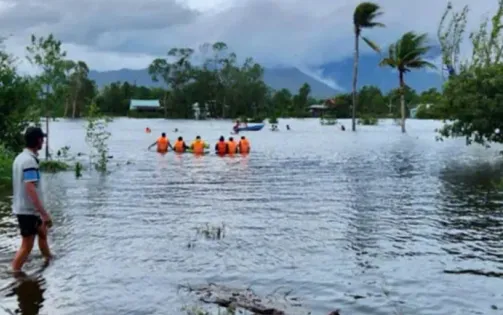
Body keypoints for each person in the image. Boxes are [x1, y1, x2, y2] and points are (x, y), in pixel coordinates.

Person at [11, 127, 53, 273]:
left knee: (43, 231)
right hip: (28, 210)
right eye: (42, 139)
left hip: (25, 208)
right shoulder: (29, 161)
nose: (43, 141)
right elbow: (30, 188)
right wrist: (43, 213)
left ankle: (48, 258)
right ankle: (15, 272)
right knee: (27, 246)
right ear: (38, 140)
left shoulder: (20, 158)